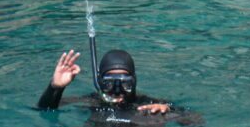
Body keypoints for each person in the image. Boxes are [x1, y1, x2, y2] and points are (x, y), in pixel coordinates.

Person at [37, 48, 172, 114]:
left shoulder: (148, 104)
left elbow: (191, 120)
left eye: (125, 84)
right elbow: (45, 109)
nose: (117, 91)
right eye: (109, 84)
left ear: (134, 82)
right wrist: (55, 87)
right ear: (99, 82)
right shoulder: (91, 101)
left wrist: (168, 110)